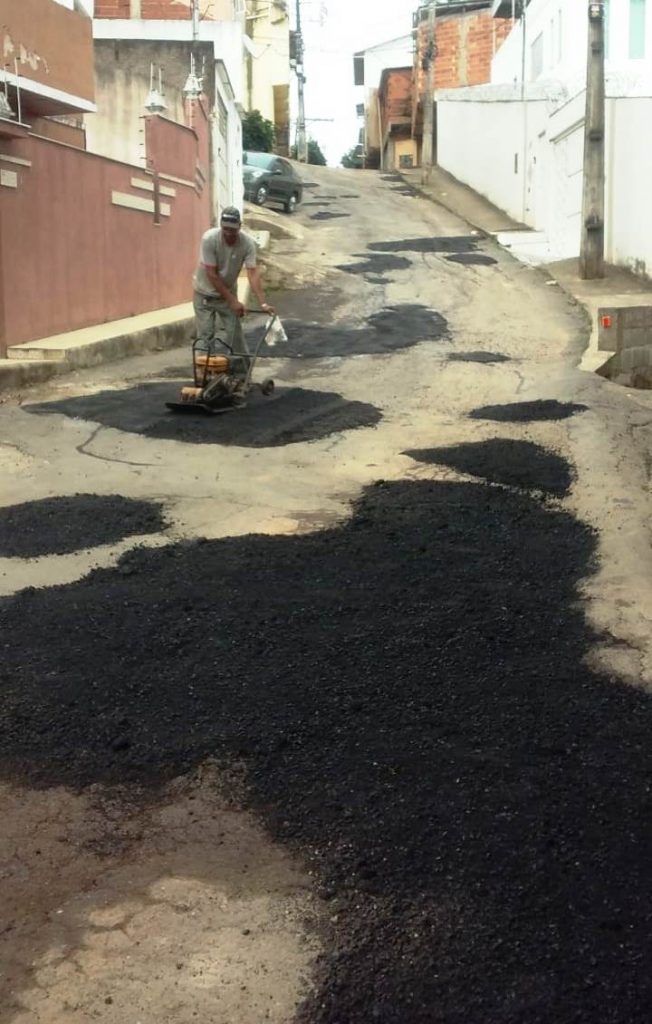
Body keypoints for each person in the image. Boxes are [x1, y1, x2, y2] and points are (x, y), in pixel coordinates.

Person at [192, 206, 275, 372]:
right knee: (205, 336)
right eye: (225, 229)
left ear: (240, 226)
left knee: (235, 335)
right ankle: (205, 376)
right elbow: (212, 274)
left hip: (227, 294)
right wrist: (233, 301)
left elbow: (253, 273)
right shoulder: (209, 239)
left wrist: (263, 304)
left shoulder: (247, 244)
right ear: (221, 226)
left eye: (233, 230)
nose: (229, 233)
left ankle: (242, 375)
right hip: (203, 295)